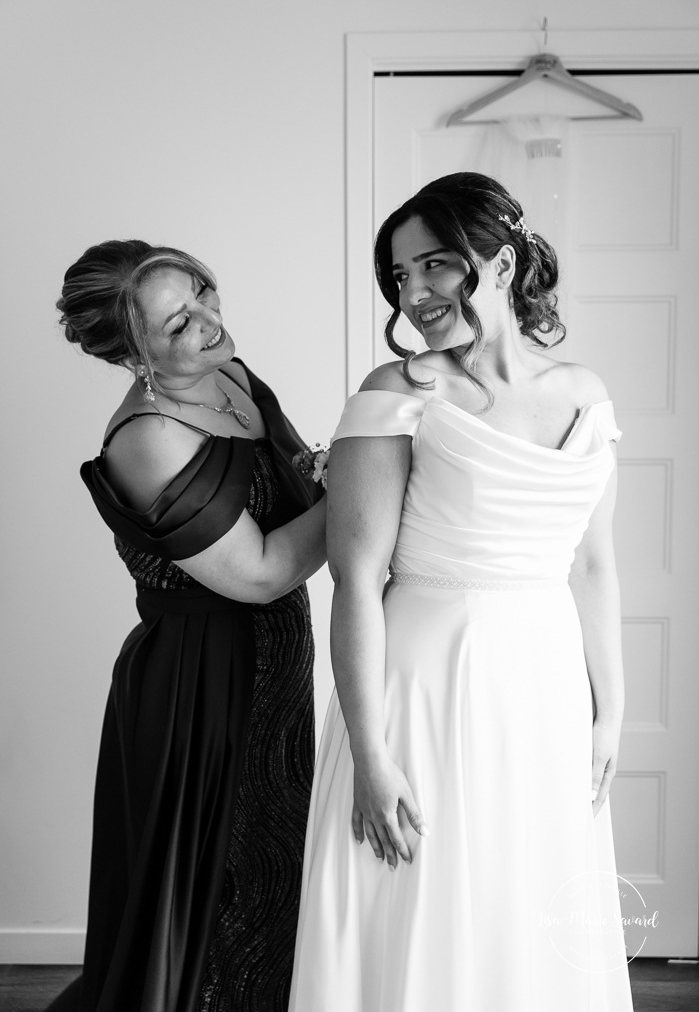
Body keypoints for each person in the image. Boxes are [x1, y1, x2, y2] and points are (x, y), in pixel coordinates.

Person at [289, 173, 634, 1011]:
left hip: (544, 684)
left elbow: (593, 564)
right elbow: (356, 578)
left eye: (434, 264)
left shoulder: (583, 394)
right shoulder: (398, 391)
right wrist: (370, 755)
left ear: (502, 264)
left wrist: (610, 710)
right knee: (421, 899)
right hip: (425, 685)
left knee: (524, 896)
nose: (413, 293)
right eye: (398, 275)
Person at [49, 240, 327, 1012]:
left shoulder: (227, 373)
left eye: (202, 291)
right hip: (200, 691)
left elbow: (295, 482)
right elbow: (262, 570)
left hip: (274, 670)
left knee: (277, 872)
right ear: (132, 356)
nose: (208, 320)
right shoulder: (147, 439)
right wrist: (367, 480)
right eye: (177, 323)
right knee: (220, 889)